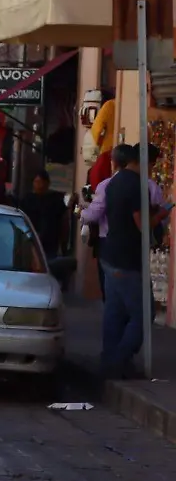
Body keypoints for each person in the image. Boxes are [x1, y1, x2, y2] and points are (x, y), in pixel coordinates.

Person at [98, 143, 165, 379]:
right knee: (143, 314)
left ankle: (109, 360)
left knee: (114, 313)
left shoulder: (114, 181)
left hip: (110, 254)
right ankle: (119, 360)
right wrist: (162, 213)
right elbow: (142, 226)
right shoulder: (137, 185)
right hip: (127, 260)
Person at [19, 170, 73, 287]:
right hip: (31, 241)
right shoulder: (27, 200)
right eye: (36, 182)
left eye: (41, 182)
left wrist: (64, 244)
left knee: (48, 270)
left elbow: (63, 221)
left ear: (47, 183)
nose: (39, 185)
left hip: (50, 242)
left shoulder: (55, 200)